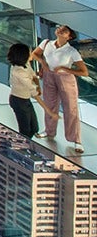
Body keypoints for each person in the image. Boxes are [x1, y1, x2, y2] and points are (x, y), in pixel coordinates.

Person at [32, 24, 87, 152]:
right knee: (50, 105)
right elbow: (35, 54)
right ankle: (49, 131)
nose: (61, 30)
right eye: (60, 28)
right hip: (49, 76)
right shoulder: (46, 43)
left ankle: (76, 140)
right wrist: (43, 63)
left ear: (69, 37)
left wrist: (64, 69)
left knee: (70, 109)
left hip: (65, 79)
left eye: (65, 30)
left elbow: (84, 72)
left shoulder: (72, 51)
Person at [9, 42, 41, 139]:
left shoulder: (26, 64)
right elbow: (32, 89)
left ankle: (28, 139)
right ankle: (23, 143)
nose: (32, 54)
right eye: (30, 52)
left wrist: (38, 86)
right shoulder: (18, 72)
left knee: (34, 127)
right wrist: (50, 111)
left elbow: (34, 76)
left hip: (26, 99)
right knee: (25, 130)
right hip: (19, 101)